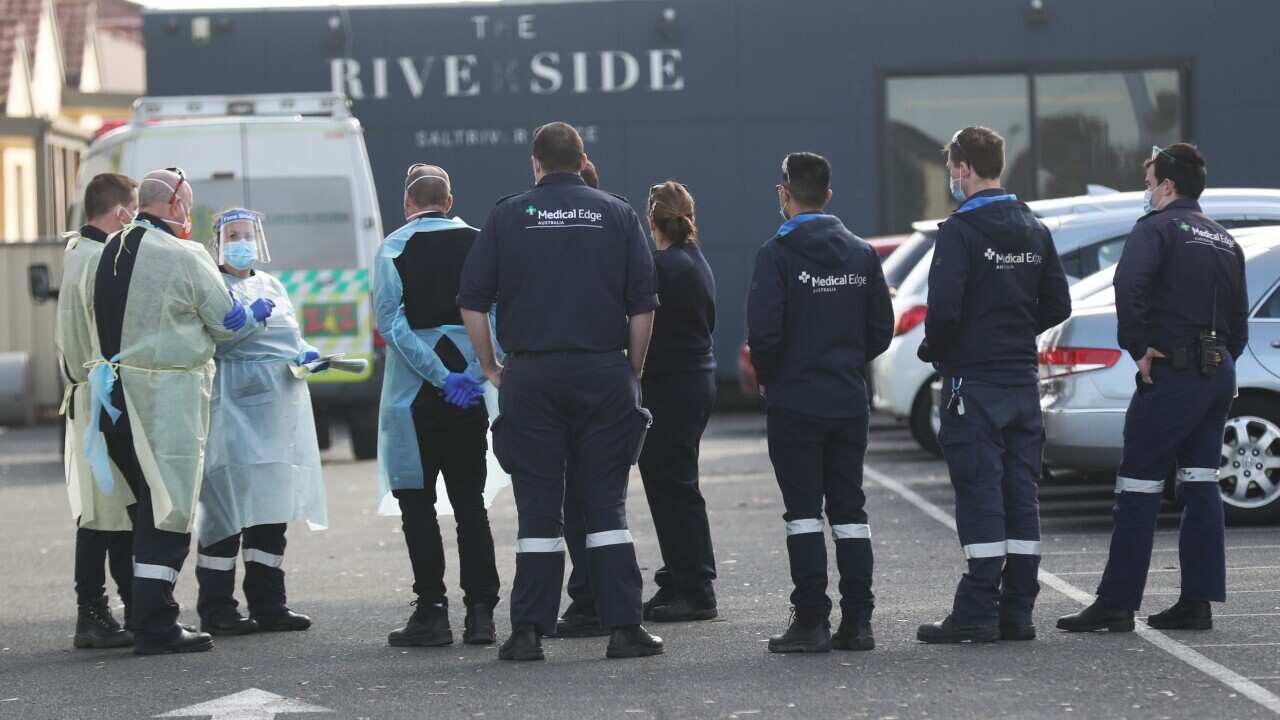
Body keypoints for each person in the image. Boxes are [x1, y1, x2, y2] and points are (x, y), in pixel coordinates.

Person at [459, 121, 662, 661]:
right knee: (605, 506)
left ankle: (527, 632)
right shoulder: (617, 214)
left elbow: (473, 302)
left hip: (531, 377)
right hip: (602, 373)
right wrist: (632, 370)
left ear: (536, 162)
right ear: (581, 159)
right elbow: (643, 308)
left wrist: (491, 365)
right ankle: (624, 628)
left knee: (539, 509)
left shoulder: (507, 215)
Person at [1058, 144, 1243, 634]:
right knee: (1201, 483)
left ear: (1167, 186)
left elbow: (1129, 287)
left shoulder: (1156, 229)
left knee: (1138, 485)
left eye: (1148, 182)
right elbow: (1239, 321)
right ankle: (1197, 602)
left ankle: (1116, 604)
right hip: (1217, 370)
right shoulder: (1225, 239)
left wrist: (1138, 346)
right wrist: (1220, 360)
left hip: (1173, 371)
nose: (1145, 191)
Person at [92, 167, 274, 655]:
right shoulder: (185, 254)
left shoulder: (113, 247)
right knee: (167, 511)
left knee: (140, 510)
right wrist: (253, 314)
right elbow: (227, 324)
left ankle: (144, 614)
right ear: (176, 207)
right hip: (165, 399)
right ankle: (157, 625)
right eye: (188, 206)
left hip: (113, 395)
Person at [916, 127, 1071, 644]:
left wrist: (939, 350)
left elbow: (942, 312)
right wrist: (1012, 330)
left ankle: (977, 611)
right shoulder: (1033, 227)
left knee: (981, 493)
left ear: (962, 168)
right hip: (1021, 381)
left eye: (951, 169)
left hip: (974, 383)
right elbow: (1058, 306)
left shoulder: (960, 231)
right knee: (1020, 492)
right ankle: (1018, 611)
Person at [748, 152, 894, 653]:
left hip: (796, 401)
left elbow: (763, 334)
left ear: (785, 193)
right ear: (828, 194)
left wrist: (774, 377)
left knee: (804, 513)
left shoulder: (777, 253)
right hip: (848, 399)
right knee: (850, 510)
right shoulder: (861, 253)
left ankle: (810, 620)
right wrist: (845, 361)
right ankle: (859, 621)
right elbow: (881, 331)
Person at [375, 164, 501, 648]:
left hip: (413, 399)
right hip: (467, 394)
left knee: (417, 505)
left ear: (408, 204)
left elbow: (391, 323)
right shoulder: (480, 241)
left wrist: (438, 375)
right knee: (471, 503)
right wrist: (473, 374)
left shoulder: (392, 247)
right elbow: (496, 313)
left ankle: (431, 611)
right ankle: (481, 614)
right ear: (449, 201)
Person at [195, 208, 326, 637]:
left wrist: (305, 353)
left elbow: (288, 334)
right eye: (232, 235)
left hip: (275, 412)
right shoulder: (212, 284)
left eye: (247, 234)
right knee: (226, 507)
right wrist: (250, 320)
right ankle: (218, 608)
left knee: (271, 507)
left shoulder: (271, 284)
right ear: (217, 241)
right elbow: (216, 339)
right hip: (231, 406)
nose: (241, 241)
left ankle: (270, 604)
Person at [55, 173, 139, 649]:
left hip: (87, 391)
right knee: (108, 512)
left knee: (103, 509)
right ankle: (99, 612)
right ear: (122, 213)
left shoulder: (77, 253)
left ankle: (108, 607)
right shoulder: (99, 259)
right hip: (101, 394)